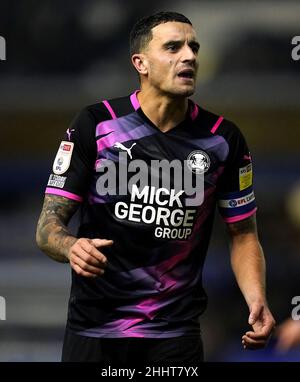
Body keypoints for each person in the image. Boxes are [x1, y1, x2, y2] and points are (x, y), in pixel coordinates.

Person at [36, 11, 275, 364]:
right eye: (173, 47)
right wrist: (72, 247)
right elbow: (47, 228)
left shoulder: (224, 139)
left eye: (193, 47)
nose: (190, 56)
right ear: (141, 63)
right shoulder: (95, 124)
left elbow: (242, 233)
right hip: (95, 332)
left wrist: (257, 299)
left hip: (175, 337)